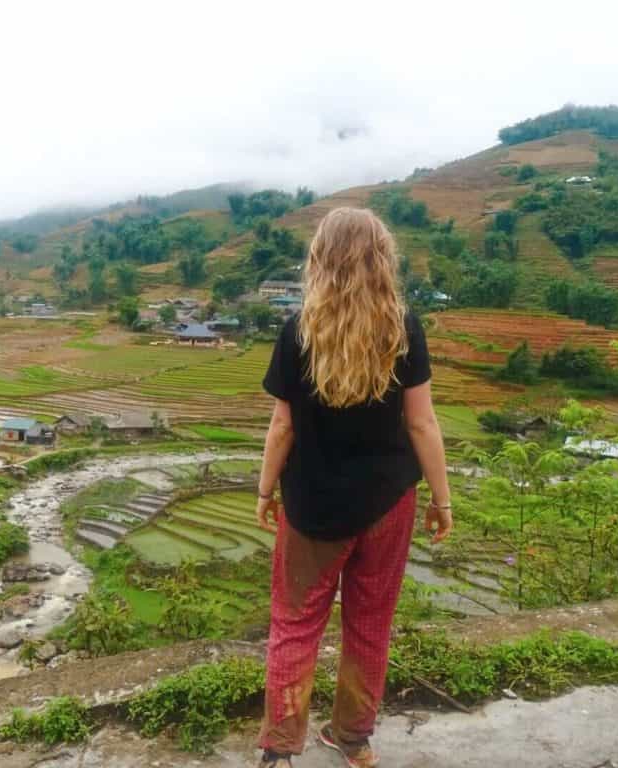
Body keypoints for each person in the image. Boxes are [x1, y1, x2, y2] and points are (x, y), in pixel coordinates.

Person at [255, 207, 452, 768]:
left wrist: (265, 490)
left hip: (313, 505)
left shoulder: (297, 332)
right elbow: (422, 423)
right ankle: (355, 742)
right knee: (369, 624)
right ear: (380, 258)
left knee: (295, 625)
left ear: (320, 259)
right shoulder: (402, 327)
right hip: (387, 504)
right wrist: (442, 500)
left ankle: (279, 752)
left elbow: (282, 427)